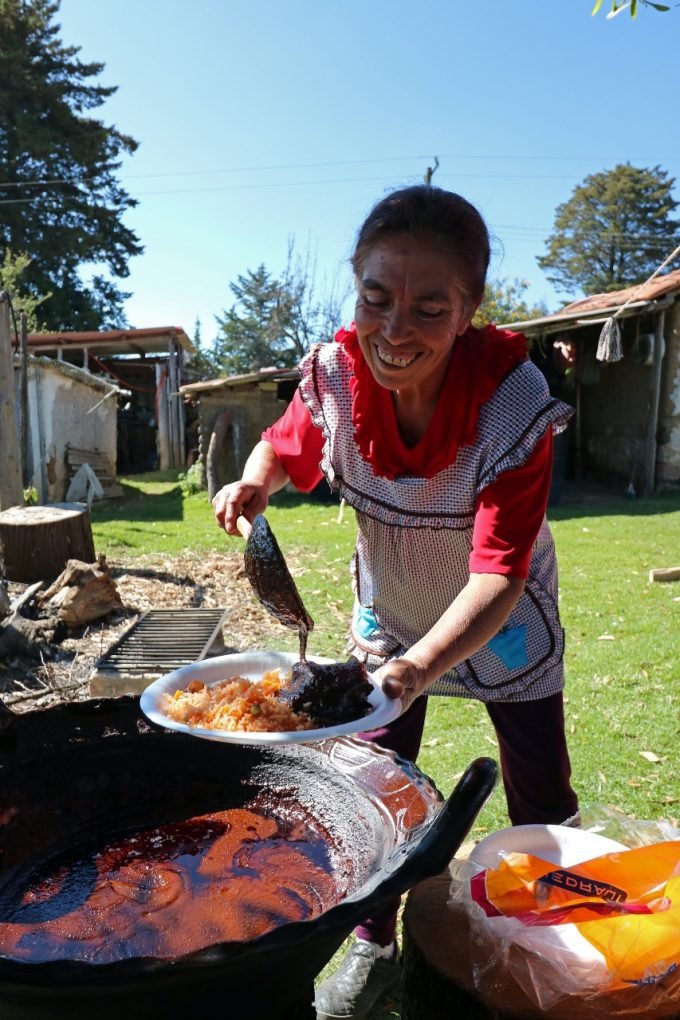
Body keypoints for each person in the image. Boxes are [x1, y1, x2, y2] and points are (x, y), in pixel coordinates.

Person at [212, 185, 579, 1020]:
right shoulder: (336, 376)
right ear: (356, 289)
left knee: (541, 789)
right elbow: (286, 445)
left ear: (469, 312)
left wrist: (421, 665)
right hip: (391, 617)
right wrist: (255, 484)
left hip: (499, 624)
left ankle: (556, 944)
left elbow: (498, 574)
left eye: (428, 307)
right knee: (371, 788)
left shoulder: (511, 402)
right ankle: (375, 949)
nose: (394, 329)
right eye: (376, 299)